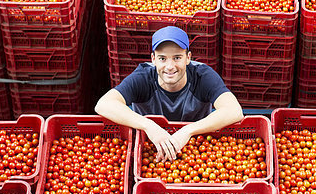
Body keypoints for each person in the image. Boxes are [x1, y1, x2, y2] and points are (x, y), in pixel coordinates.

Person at [95, 26, 244, 162]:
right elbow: (104, 104)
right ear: (153, 59)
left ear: (188, 58)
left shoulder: (202, 76)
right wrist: (149, 126)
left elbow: (234, 110)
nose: (170, 66)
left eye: (177, 57)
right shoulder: (143, 77)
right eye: (162, 58)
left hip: (196, 148)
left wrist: (188, 131)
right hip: (150, 147)